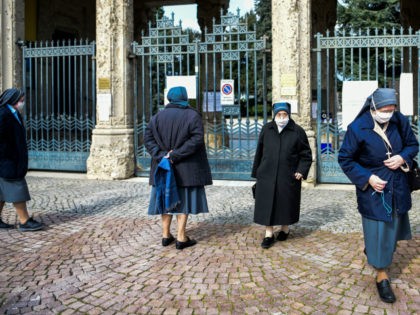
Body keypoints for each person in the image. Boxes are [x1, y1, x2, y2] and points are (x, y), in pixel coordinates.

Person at [338, 88, 418, 303]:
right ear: (373, 108)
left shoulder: (399, 121)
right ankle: (382, 276)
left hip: (398, 186)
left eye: (391, 110)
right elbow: (345, 159)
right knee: (379, 230)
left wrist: (402, 157)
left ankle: (375, 250)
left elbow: (413, 145)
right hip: (375, 190)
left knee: (390, 232)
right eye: (384, 110)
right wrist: (368, 178)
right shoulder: (357, 128)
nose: (388, 114)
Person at [144, 86, 212, 250]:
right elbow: (196, 139)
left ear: (169, 98)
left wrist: (162, 155)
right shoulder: (192, 115)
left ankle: (166, 235)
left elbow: (147, 139)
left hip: (163, 166)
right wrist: (175, 155)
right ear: (185, 97)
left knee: (164, 199)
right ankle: (181, 237)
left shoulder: (157, 117)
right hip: (186, 168)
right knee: (184, 201)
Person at [252, 102, 312, 249]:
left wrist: (301, 170)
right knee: (267, 204)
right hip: (267, 174)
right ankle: (268, 234)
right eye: (279, 115)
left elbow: (306, 154)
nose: (282, 117)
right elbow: (259, 151)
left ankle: (285, 229)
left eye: (284, 115)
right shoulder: (267, 129)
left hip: (288, 174)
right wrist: (256, 172)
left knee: (285, 203)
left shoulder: (297, 131)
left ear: (288, 115)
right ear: (274, 115)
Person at [0, 88, 44, 231]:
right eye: (21, 100)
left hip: (10, 160)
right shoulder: (3, 114)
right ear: (12, 100)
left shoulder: (14, 113)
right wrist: (7, 155)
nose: (22, 103)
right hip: (8, 161)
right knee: (18, 189)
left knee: (1, 192)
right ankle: (24, 221)